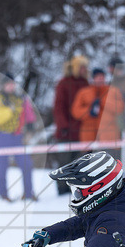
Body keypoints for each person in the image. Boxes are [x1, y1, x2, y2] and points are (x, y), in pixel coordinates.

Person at [0, 76, 38, 202]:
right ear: (3, 85)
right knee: (2, 166)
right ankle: (3, 195)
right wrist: (9, 110)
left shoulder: (21, 99)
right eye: (8, 84)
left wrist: (31, 127)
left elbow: (29, 113)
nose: (10, 86)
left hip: (18, 136)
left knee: (26, 164)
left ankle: (28, 193)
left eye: (12, 83)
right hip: (2, 135)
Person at [52, 55, 89, 195]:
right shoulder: (63, 83)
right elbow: (58, 107)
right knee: (64, 161)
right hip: (66, 131)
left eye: (85, 67)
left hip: (82, 131)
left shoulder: (86, 83)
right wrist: (63, 126)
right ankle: (62, 189)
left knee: (79, 161)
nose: (84, 69)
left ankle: (77, 188)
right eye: (81, 67)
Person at [71, 68, 125, 160]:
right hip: (88, 136)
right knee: (89, 168)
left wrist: (103, 101)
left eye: (102, 77)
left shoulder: (113, 91)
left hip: (109, 136)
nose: (100, 79)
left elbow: (120, 108)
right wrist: (89, 111)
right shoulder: (84, 92)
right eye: (97, 77)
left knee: (108, 166)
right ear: (93, 78)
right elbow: (75, 112)